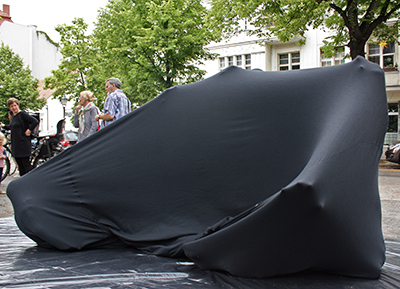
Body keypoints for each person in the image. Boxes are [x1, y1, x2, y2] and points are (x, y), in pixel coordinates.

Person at [1, 98, 38, 176]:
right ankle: (23, 184)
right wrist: (3, 126)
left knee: (26, 166)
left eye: (15, 105)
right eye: (11, 106)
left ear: (18, 105)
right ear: (9, 108)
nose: (14, 108)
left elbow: (35, 121)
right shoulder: (14, 116)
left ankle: (31, 182)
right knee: (20, 167)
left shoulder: (22, 114)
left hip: (23, 143)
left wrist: (29, 130)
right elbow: (12, 127)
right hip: (16, 144)